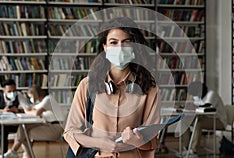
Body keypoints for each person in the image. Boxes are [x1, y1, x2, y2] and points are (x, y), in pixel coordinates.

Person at [63, 17, 161, 158]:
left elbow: (152, 138)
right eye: (113, 42)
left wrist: (138, 140)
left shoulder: (150, 88)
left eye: (126, 42)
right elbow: (71, 132)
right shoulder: (87, 85)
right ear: (105, 47)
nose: (119, 48)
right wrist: (102, 143)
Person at [0, 84, 64, 158]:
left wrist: (26, 111)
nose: (30, 99)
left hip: (55, 129)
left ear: (35, 95)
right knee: (23, 128)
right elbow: (31, 109)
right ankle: (21, 154)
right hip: (48, 125)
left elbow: (36, 113)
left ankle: (20, 153)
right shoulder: (43, 101)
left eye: (30, 97)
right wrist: (23, 110)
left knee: (24, 133)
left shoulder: (48, 99)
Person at [0, 79, 30, 154]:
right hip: (0, 124)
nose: (12, 93)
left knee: (25, 128)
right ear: (3, 90)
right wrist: (2, 111)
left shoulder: (19, 95)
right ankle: (3, 154)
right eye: (9, 91)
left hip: (15, 123)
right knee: (2, 130)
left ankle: (21, 152)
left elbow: (28, 109)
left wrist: (18, 110)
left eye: (14, 90)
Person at [182, 81, 227, 155]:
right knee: (184, 122)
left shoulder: (211, 94)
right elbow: (195, 105)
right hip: (205, 118)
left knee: (199, 124)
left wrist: (194, 106)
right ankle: (187, 147)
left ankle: (193, 149)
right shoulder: (198, 96)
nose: (195, 96)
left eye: (195, 94)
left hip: (219, 120)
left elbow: (206, 108)